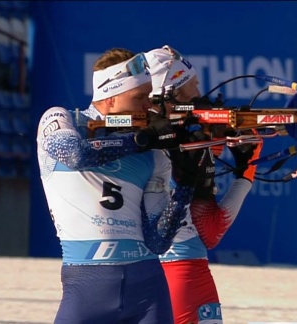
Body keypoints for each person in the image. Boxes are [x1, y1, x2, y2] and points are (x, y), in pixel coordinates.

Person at [36, 48, 201, 323]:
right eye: (139, 98)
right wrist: (141, 140)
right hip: (85, 286)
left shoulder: (154, 153)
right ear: (110, 98)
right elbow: (75, 155)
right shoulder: (63, 119)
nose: (148, 107)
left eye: (150, 97)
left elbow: (157, 241)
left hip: (148, 288)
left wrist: (185, 187)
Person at [144, 45, 263, 324]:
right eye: (192, 86)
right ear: (172, 94)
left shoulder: (135, 136)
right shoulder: (180, 142)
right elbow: (211, 230)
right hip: (182, 272)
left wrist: (212, 145)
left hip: (128, 270)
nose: (199, 92)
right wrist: (248, 169)